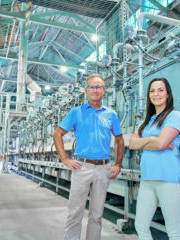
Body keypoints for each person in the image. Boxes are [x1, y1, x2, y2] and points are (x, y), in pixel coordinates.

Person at [53, 74, 125, 240]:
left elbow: (120, 140)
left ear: (104, 91)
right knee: (75, 212)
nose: (95, 90)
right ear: (86, 90)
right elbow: (58, 133)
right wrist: (64, 158)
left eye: (98, 87)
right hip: (82, 167)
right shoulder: (76, 112)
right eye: (92, 87)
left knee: (97, 214)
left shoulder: (111, 114)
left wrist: (118, 164)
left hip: (103, 168)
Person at [129, 78, 180, 240]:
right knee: (140, 225)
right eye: (152, 91)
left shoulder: (175, 116)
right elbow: (132, 144)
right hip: (147, 179)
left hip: (168, 178)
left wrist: (149, 142)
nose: (156, 94)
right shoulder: (146, 122)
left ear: (168, 94)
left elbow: (161, 144)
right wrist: (154, 140)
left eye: (160, 90)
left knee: (173, 230)